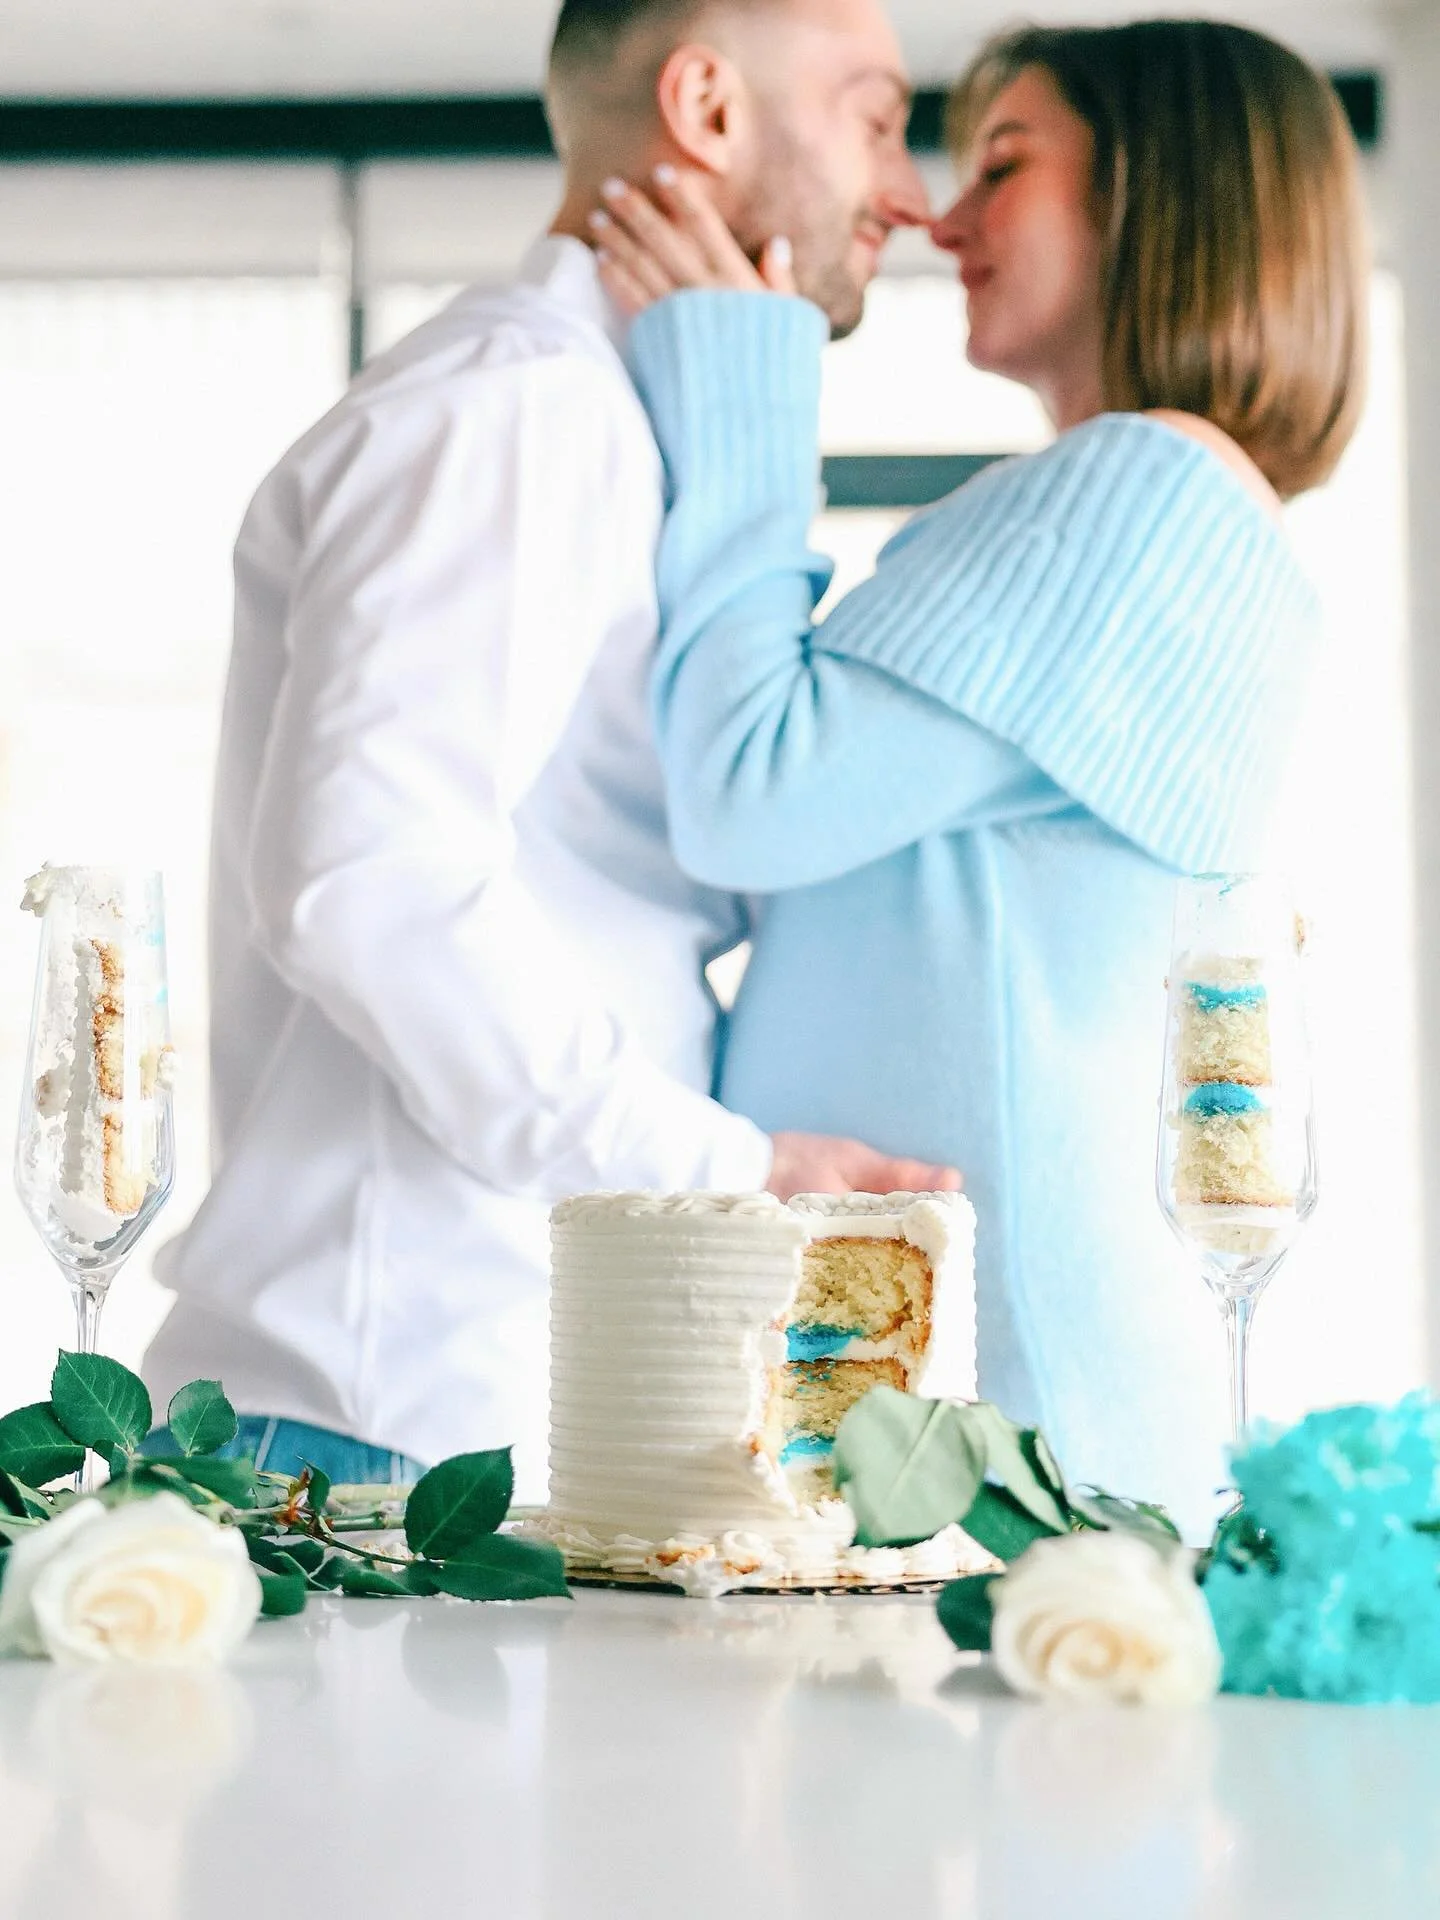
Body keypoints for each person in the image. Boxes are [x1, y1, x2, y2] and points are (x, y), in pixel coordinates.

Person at [140, 0, 955, 1497]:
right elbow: (368, 883)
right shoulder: (519, 408)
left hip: (449, 1418)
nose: (913, 192)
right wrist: (732, 1174)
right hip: (376, 1431)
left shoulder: (608, 428)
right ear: (707, 111)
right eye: (879, 116)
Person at [588, 18, 1368, 1534]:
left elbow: (749, 782)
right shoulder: (1163, 503)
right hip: (975, 1380)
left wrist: (746, 362)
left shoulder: (1144, 489)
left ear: (1164, 195)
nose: (942, 218)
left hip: (1006, 1405)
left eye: (1005, 164)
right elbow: (796, 845)